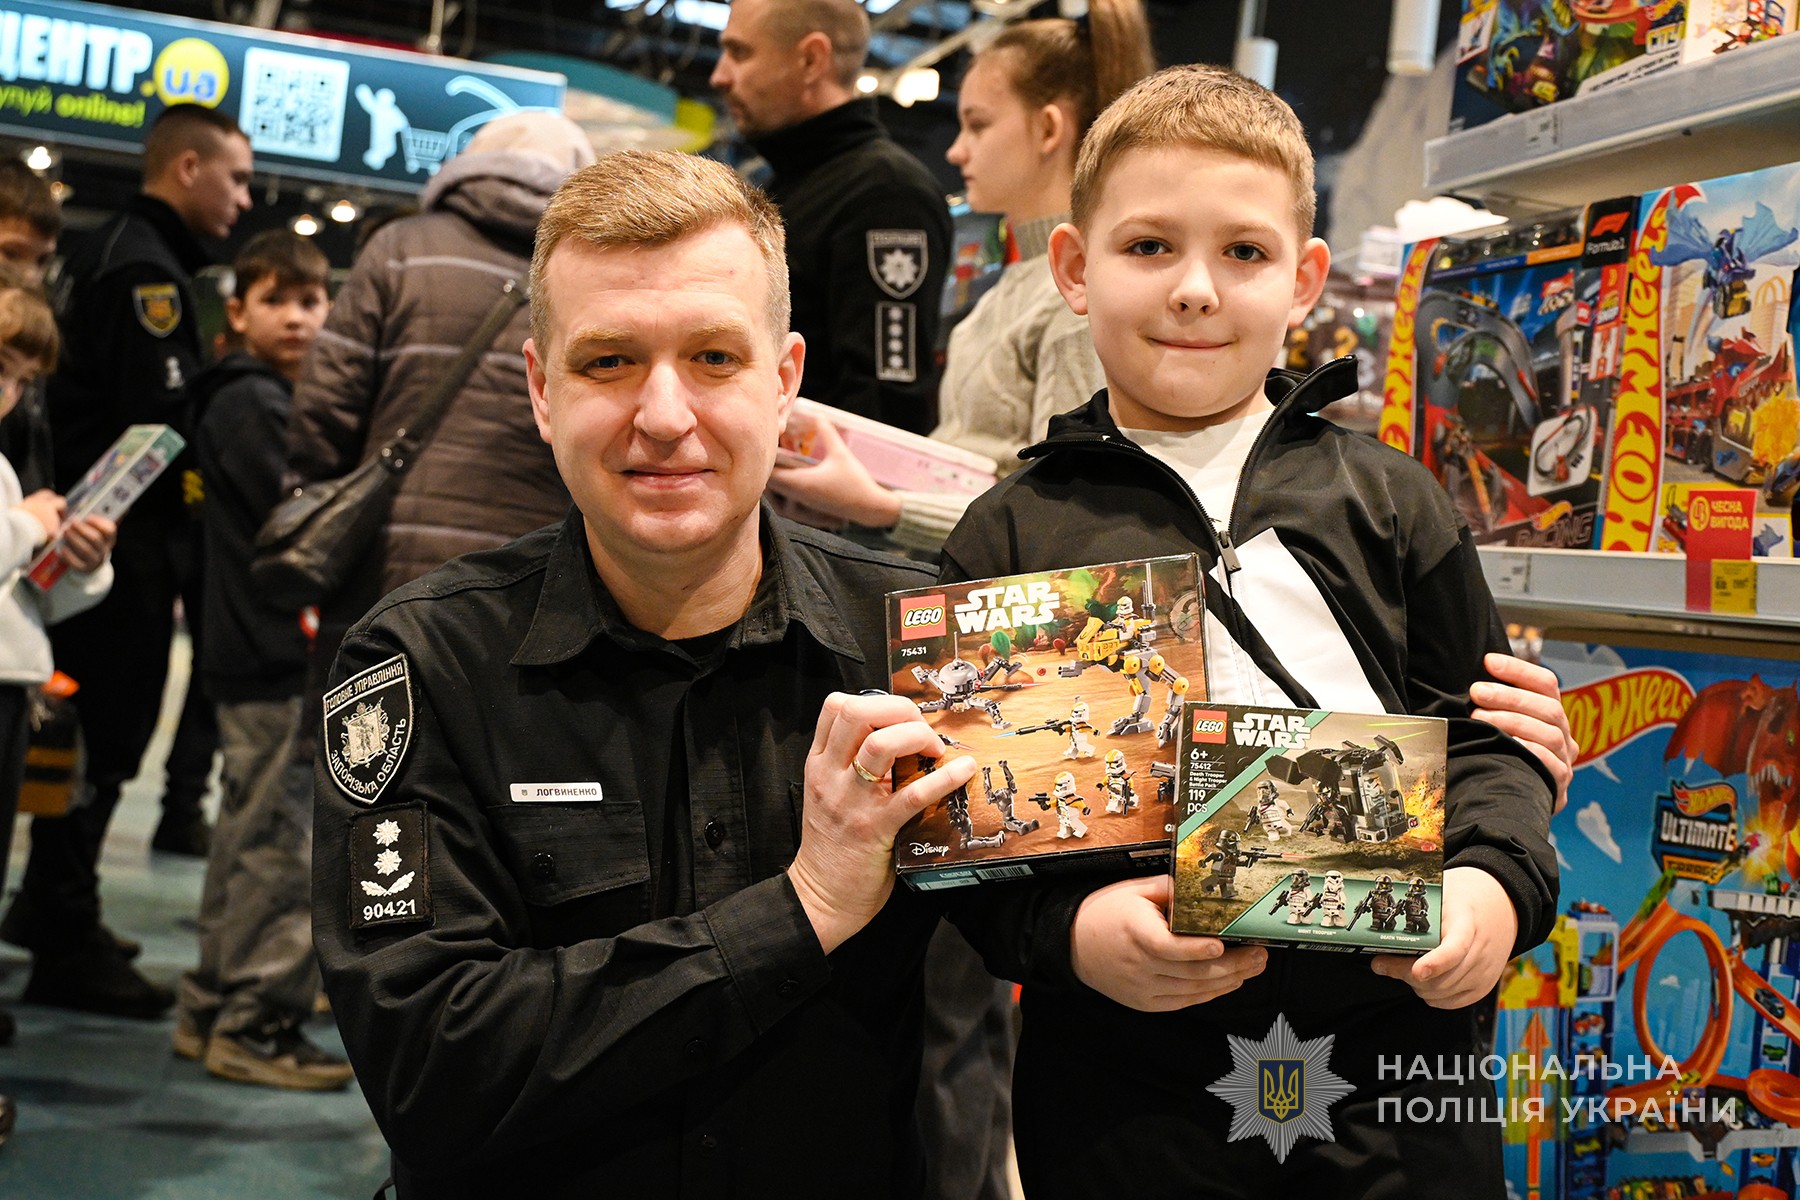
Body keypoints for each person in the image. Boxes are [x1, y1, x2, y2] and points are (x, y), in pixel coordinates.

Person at [940, 65, 1562, 1196]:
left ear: (1303, 279)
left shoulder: (1393, 501)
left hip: (1394, 1088)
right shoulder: (1013, 535)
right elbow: (976, 835)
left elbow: (1491, 743)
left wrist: (1492, 890)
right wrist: (1072, 934)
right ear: (1073, 268)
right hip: (1128, 1097)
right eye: (1147, 247)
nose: (1194, 290)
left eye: (1243, 251)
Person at [312, 149, 977, 1199]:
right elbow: (430, 1065)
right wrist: (802, 909)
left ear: (784, 382)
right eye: (609, 361)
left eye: (714, 357)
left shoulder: (922, 644)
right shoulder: (420, 665)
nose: (664, 416)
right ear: (541, 390)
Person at [1, 104, 252, 1017]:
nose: (245, 198)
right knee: (100, 742)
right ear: (187, 168)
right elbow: (160, 425)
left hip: (83, 546)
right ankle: (63, 925)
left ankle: (56, 905)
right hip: (106, 544)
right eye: (236, 177)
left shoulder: (118, 254)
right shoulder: (140, 268)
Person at [767, 0, 1148, 546]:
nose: (955, 150)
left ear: (1048, 129)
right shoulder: (1020, 286)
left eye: (977, 125)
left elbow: (1068, 513)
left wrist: (882, 507)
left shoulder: (1077, 298)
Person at [282, 111, 591, 669]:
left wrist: (315, 495)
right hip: (531, 576)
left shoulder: (400, 248)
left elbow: (326, 402)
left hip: (384, 565)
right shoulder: (584, 277)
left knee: (369, 714)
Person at [171, 231, 353, 1091]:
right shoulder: (252, 403)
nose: (297, 319)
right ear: (237, 311)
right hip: (273, 653)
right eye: (276, 301)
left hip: (252, 651)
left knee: (248, 837)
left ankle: (211, 1005)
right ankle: (256, 1023)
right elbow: (307, 522)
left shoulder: (254, 397)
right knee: (279, 845)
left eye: (311, 302)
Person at [0, 264, 117, 1150]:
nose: (8, 392)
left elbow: (25, 599)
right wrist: (31, 527)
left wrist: (76, 560)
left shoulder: (7, 467)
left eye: (18, 377)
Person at [712, 0, 950, 434]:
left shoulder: (885, 194)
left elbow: (886, 404)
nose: (719, 75)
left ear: (811, 59)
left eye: (740, 52)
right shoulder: (790, 186)